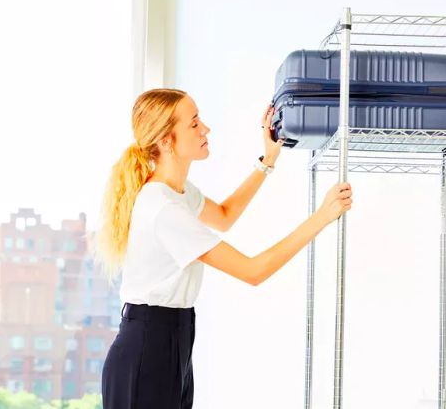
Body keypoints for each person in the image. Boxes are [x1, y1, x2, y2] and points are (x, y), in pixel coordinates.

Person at [96, 88, 352, 409]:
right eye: (193, 124)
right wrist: (322, 216)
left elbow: (225, 216)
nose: (205, 129)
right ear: (165, 140)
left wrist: (268, 159)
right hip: (148, 347)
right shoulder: (162, 208)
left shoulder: (178, 192)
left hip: (173, 339)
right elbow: (253, 271)